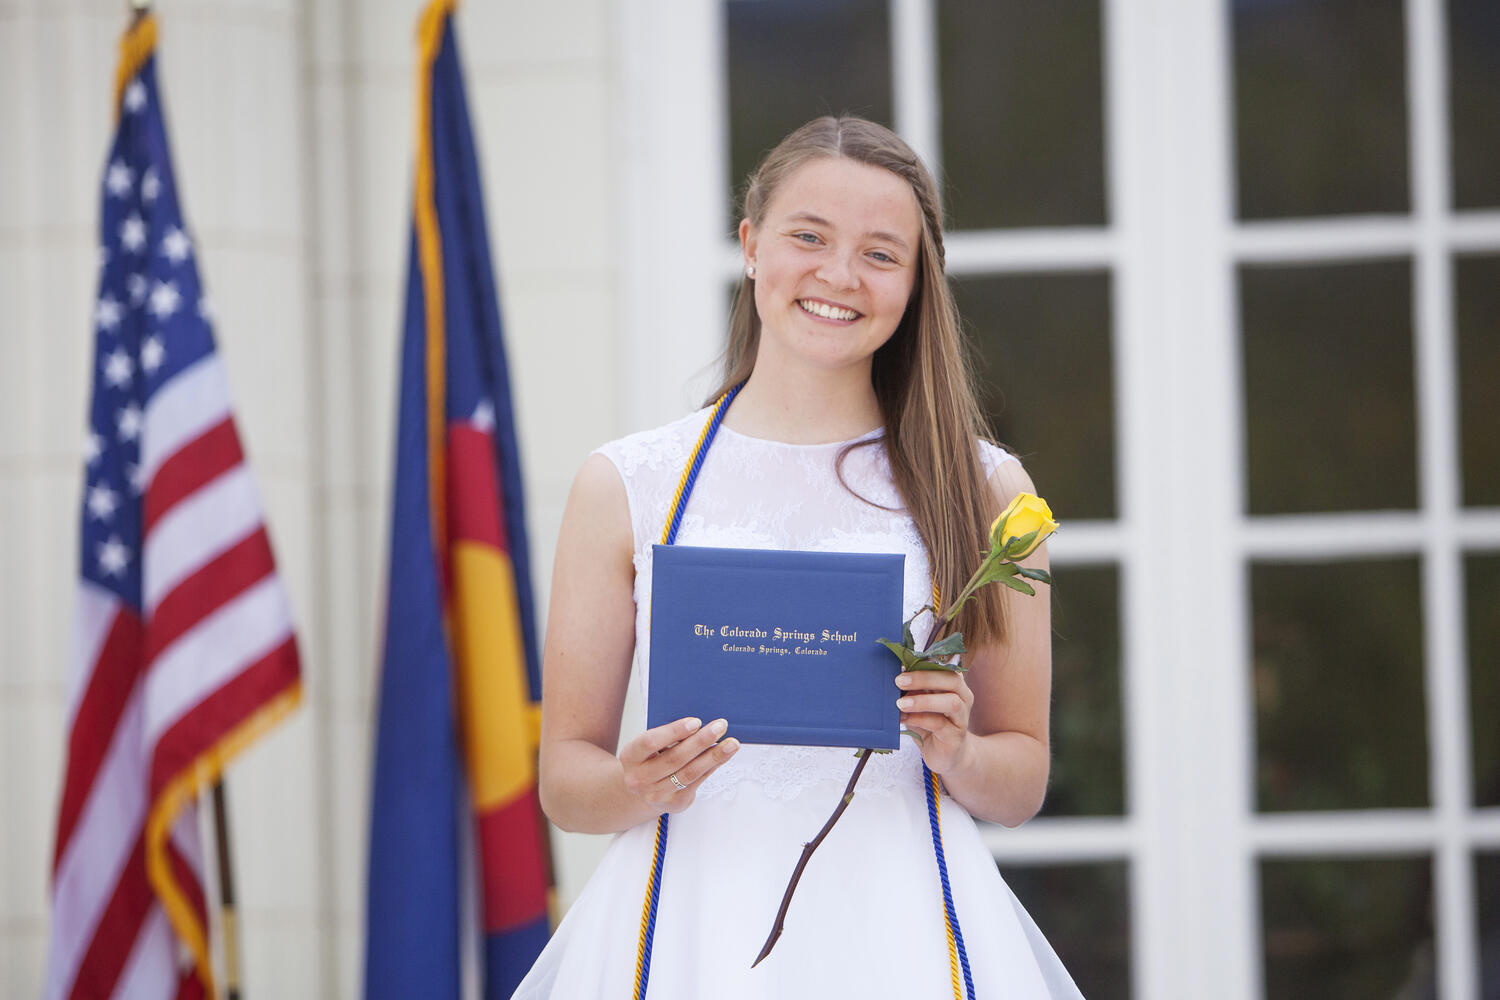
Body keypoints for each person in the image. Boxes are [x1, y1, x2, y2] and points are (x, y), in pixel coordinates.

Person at [512, 116, 1083, 999]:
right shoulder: (625, 484)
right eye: (808, 237)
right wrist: (635, 782)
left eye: (881, 253)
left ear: (917, 282)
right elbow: (564, 782)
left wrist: (957, 751)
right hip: (683, 933)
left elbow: (1022, 780)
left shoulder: (987, 489)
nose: (838, 276)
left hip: (908, 938)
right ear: (750, 245)